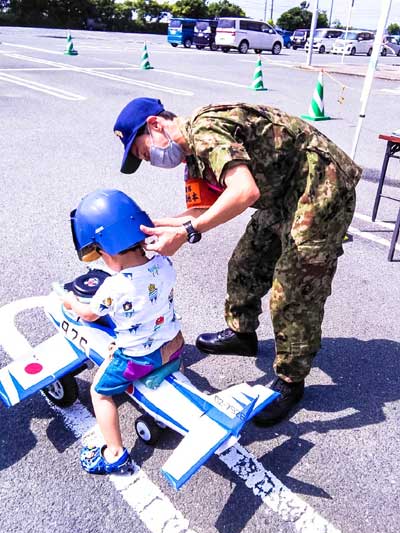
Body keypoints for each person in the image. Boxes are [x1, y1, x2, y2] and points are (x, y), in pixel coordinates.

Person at [113, 98, 362, 427]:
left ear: (156, 125)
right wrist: (163, 226)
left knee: (293, 291)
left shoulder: (204, 132)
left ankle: (290, 382)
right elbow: (202, 210)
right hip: (283, 192)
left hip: (322, 186)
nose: (150, 161)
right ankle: (242, 335)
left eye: (144, 152)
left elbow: (244, 192)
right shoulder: (193, 160)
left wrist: (187, 233)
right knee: (246, 262)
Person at [63, 188, 184, 474]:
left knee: (99, 391)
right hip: (173, 343)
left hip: (138, 359)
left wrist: (70, 302)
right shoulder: (164, 263)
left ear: (106, 252)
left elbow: (90, 313)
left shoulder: (114, 286)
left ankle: (115, 453)